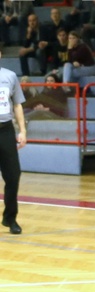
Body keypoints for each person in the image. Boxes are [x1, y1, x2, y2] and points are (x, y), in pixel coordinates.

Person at [0, 50, 26, 234]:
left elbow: (17, 104)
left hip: (6, 130)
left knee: (13, 175)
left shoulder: (10, 76)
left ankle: (10, 218)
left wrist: (22, 130)